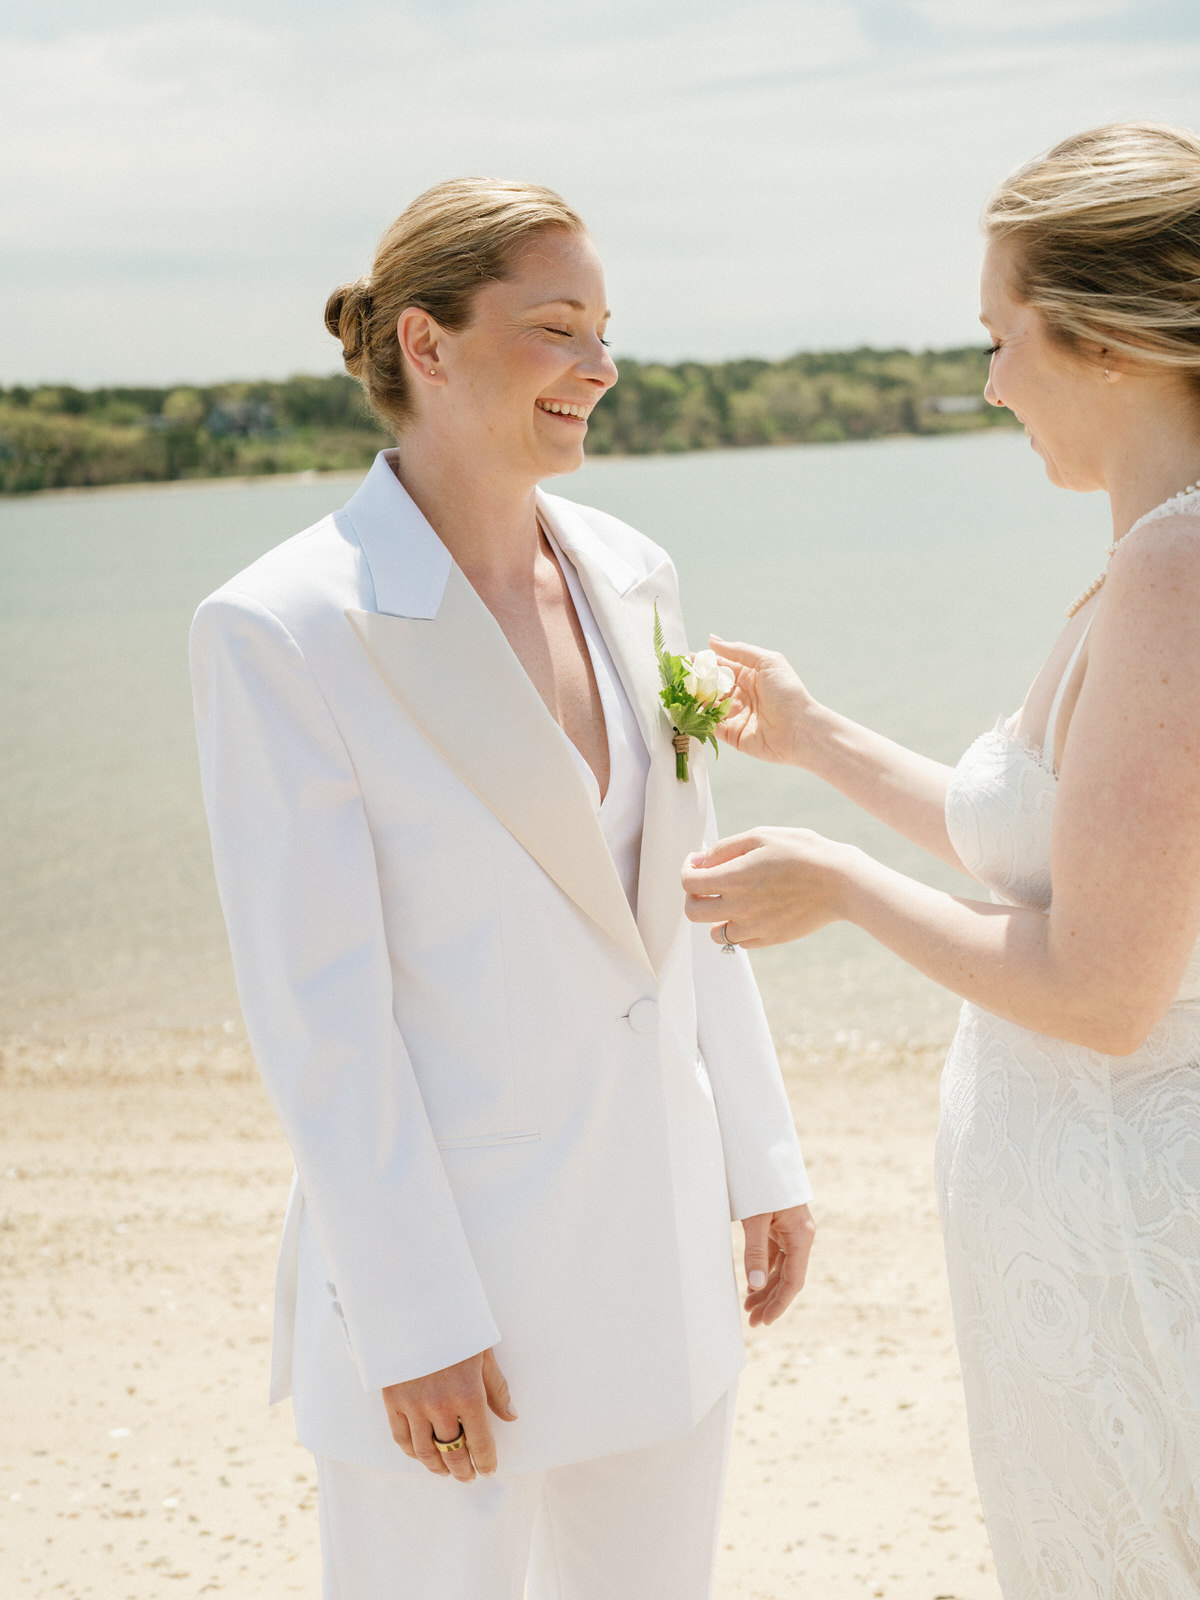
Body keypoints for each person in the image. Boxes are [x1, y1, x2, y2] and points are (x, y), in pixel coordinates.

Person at [190, 177, 814, 1600]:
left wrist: (760, 1159)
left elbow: (687, 896)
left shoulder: (630, 573)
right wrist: (407, 1317)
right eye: (556, 329)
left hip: (661, 1258)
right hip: (456, 1293)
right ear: (427, 343)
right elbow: (318, 1013)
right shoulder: (282, 626)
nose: (602, 369)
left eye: (605, 330)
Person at [681, 123, 1200, 1597]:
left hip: (1136, 1251)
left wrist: (842, 889)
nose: (988, 382)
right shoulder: (1155, 555)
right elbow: (1056, 853)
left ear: (1106, 339)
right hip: (1090, 1243)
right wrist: (818, 736)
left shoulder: (1176, 569)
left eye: (1001, 335)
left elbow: (1102, 984)